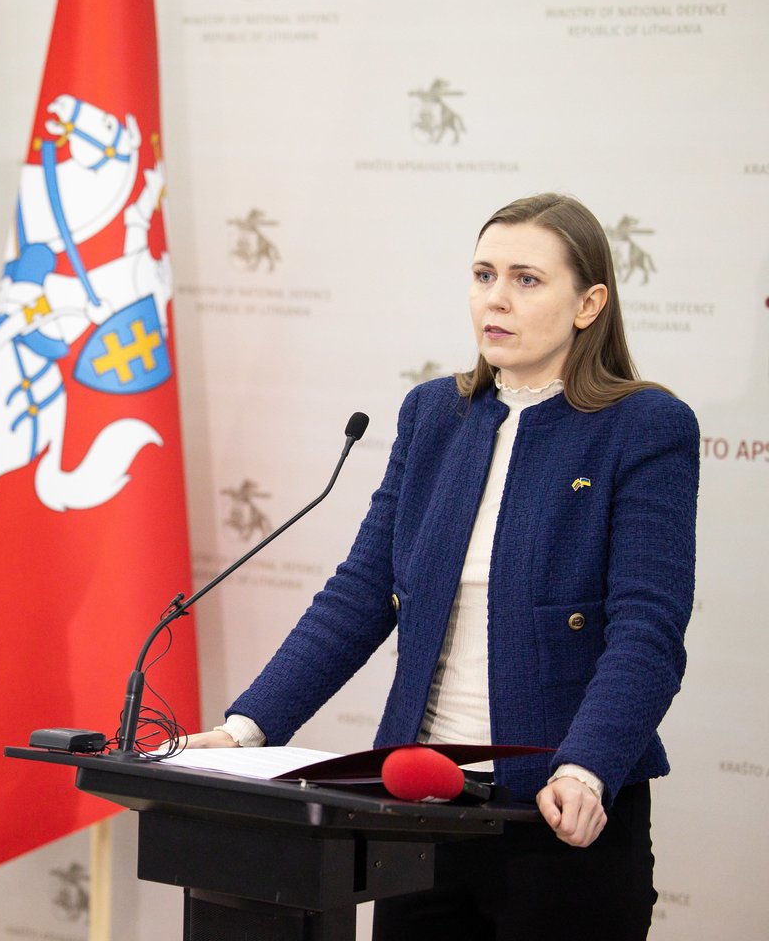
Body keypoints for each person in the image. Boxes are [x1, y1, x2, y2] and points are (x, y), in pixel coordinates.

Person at [181, 193, 698, 939]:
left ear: (589, 304)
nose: (496, 298)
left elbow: (647, 631)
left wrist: (586, 767)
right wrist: (246, 730)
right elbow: (360, 595)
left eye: (526, 279)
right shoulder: (434, 415)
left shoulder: (644, 427)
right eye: (484, 275)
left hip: (559, 810)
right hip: (420, 808)